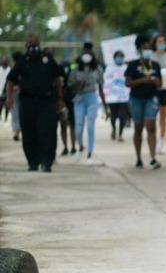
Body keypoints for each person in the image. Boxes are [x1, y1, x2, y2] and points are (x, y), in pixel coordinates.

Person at [4, 34, 64, 172]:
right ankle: (33, 162)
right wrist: (9, 98)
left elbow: (57, 79)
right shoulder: (22, 61)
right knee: (29, 132)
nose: (33, 47)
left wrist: (60, 98)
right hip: (27, 102)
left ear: (39, 44)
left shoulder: (47, 60)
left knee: (47, 132)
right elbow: (11, 80)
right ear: (26, 45)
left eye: (35, 44)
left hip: (46, 101)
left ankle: (47, 162)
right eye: (30, 44)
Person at [125, 35, 163, 169]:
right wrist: (142, 80)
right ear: (139, 49)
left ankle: (152, 157)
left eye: (148, 48)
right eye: (144, 48)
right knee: (138, 128)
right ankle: (138, 157)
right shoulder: (132, 65)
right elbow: (127, 83)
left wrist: (155, 81)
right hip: (136, 98)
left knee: (151, 126)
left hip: (151, 98)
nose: (147, 50)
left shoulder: (155, 65)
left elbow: (160, 84)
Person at [68, 46, 108, 164]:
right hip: (79, 98)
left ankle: (90, 153)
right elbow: (70, 88)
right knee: (78, 127)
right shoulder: (76, 69)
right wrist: (77, 84)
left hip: (92, 98)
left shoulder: (97, 69)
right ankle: (80, 146)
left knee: (90, 126)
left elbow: (101, 89)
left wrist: (105, 107)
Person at [104, 50, 130, 142]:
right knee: (113, 115)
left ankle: (120, 134)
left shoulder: (126, 67)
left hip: (124, 96)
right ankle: (114, 129)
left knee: (122, 115)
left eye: (121, 57)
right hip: (112, 96)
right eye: (118, 57)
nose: (119, 59)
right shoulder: (110, 67)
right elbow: (105, 80)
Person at [0, 57, 9, 122]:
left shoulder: (9, 70)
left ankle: (6, 118)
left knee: (7, 105)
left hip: (8, 91)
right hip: (0, 90)